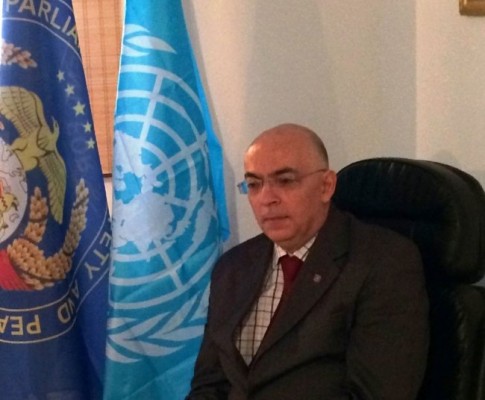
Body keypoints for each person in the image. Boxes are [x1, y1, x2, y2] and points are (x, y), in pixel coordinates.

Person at [187, 123, 429, 400]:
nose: (267, 199)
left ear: (326, 186)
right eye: (254, 184)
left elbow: (376, 394)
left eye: (285, 181)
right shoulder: (233, 266)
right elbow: (209, 384)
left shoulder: (383, 261)